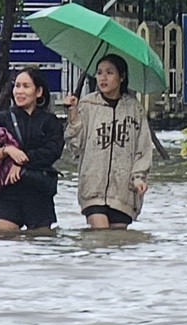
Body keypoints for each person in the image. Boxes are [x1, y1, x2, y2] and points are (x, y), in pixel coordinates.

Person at [63, 54, 153, 229]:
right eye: (99, 73)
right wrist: (73, 117)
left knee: (117, 239)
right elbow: (75, 147)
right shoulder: (87, 105)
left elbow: (143, 148)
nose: (103, 78)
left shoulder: (134, 109)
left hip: (124, 191)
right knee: (100, 232)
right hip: (92, 188)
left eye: (110, 73)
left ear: (122, 77)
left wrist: (139, 177)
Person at [0, 68, 65, 233]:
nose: (19, 91)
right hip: (7, 191)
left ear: (38, 91)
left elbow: (52, 152)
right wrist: (8, 150)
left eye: (26, 86)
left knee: (40, 242)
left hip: (38, 190)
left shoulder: (50, 121)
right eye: (17, 86)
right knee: (5, 240)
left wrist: (22, 164)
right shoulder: (2, 118)